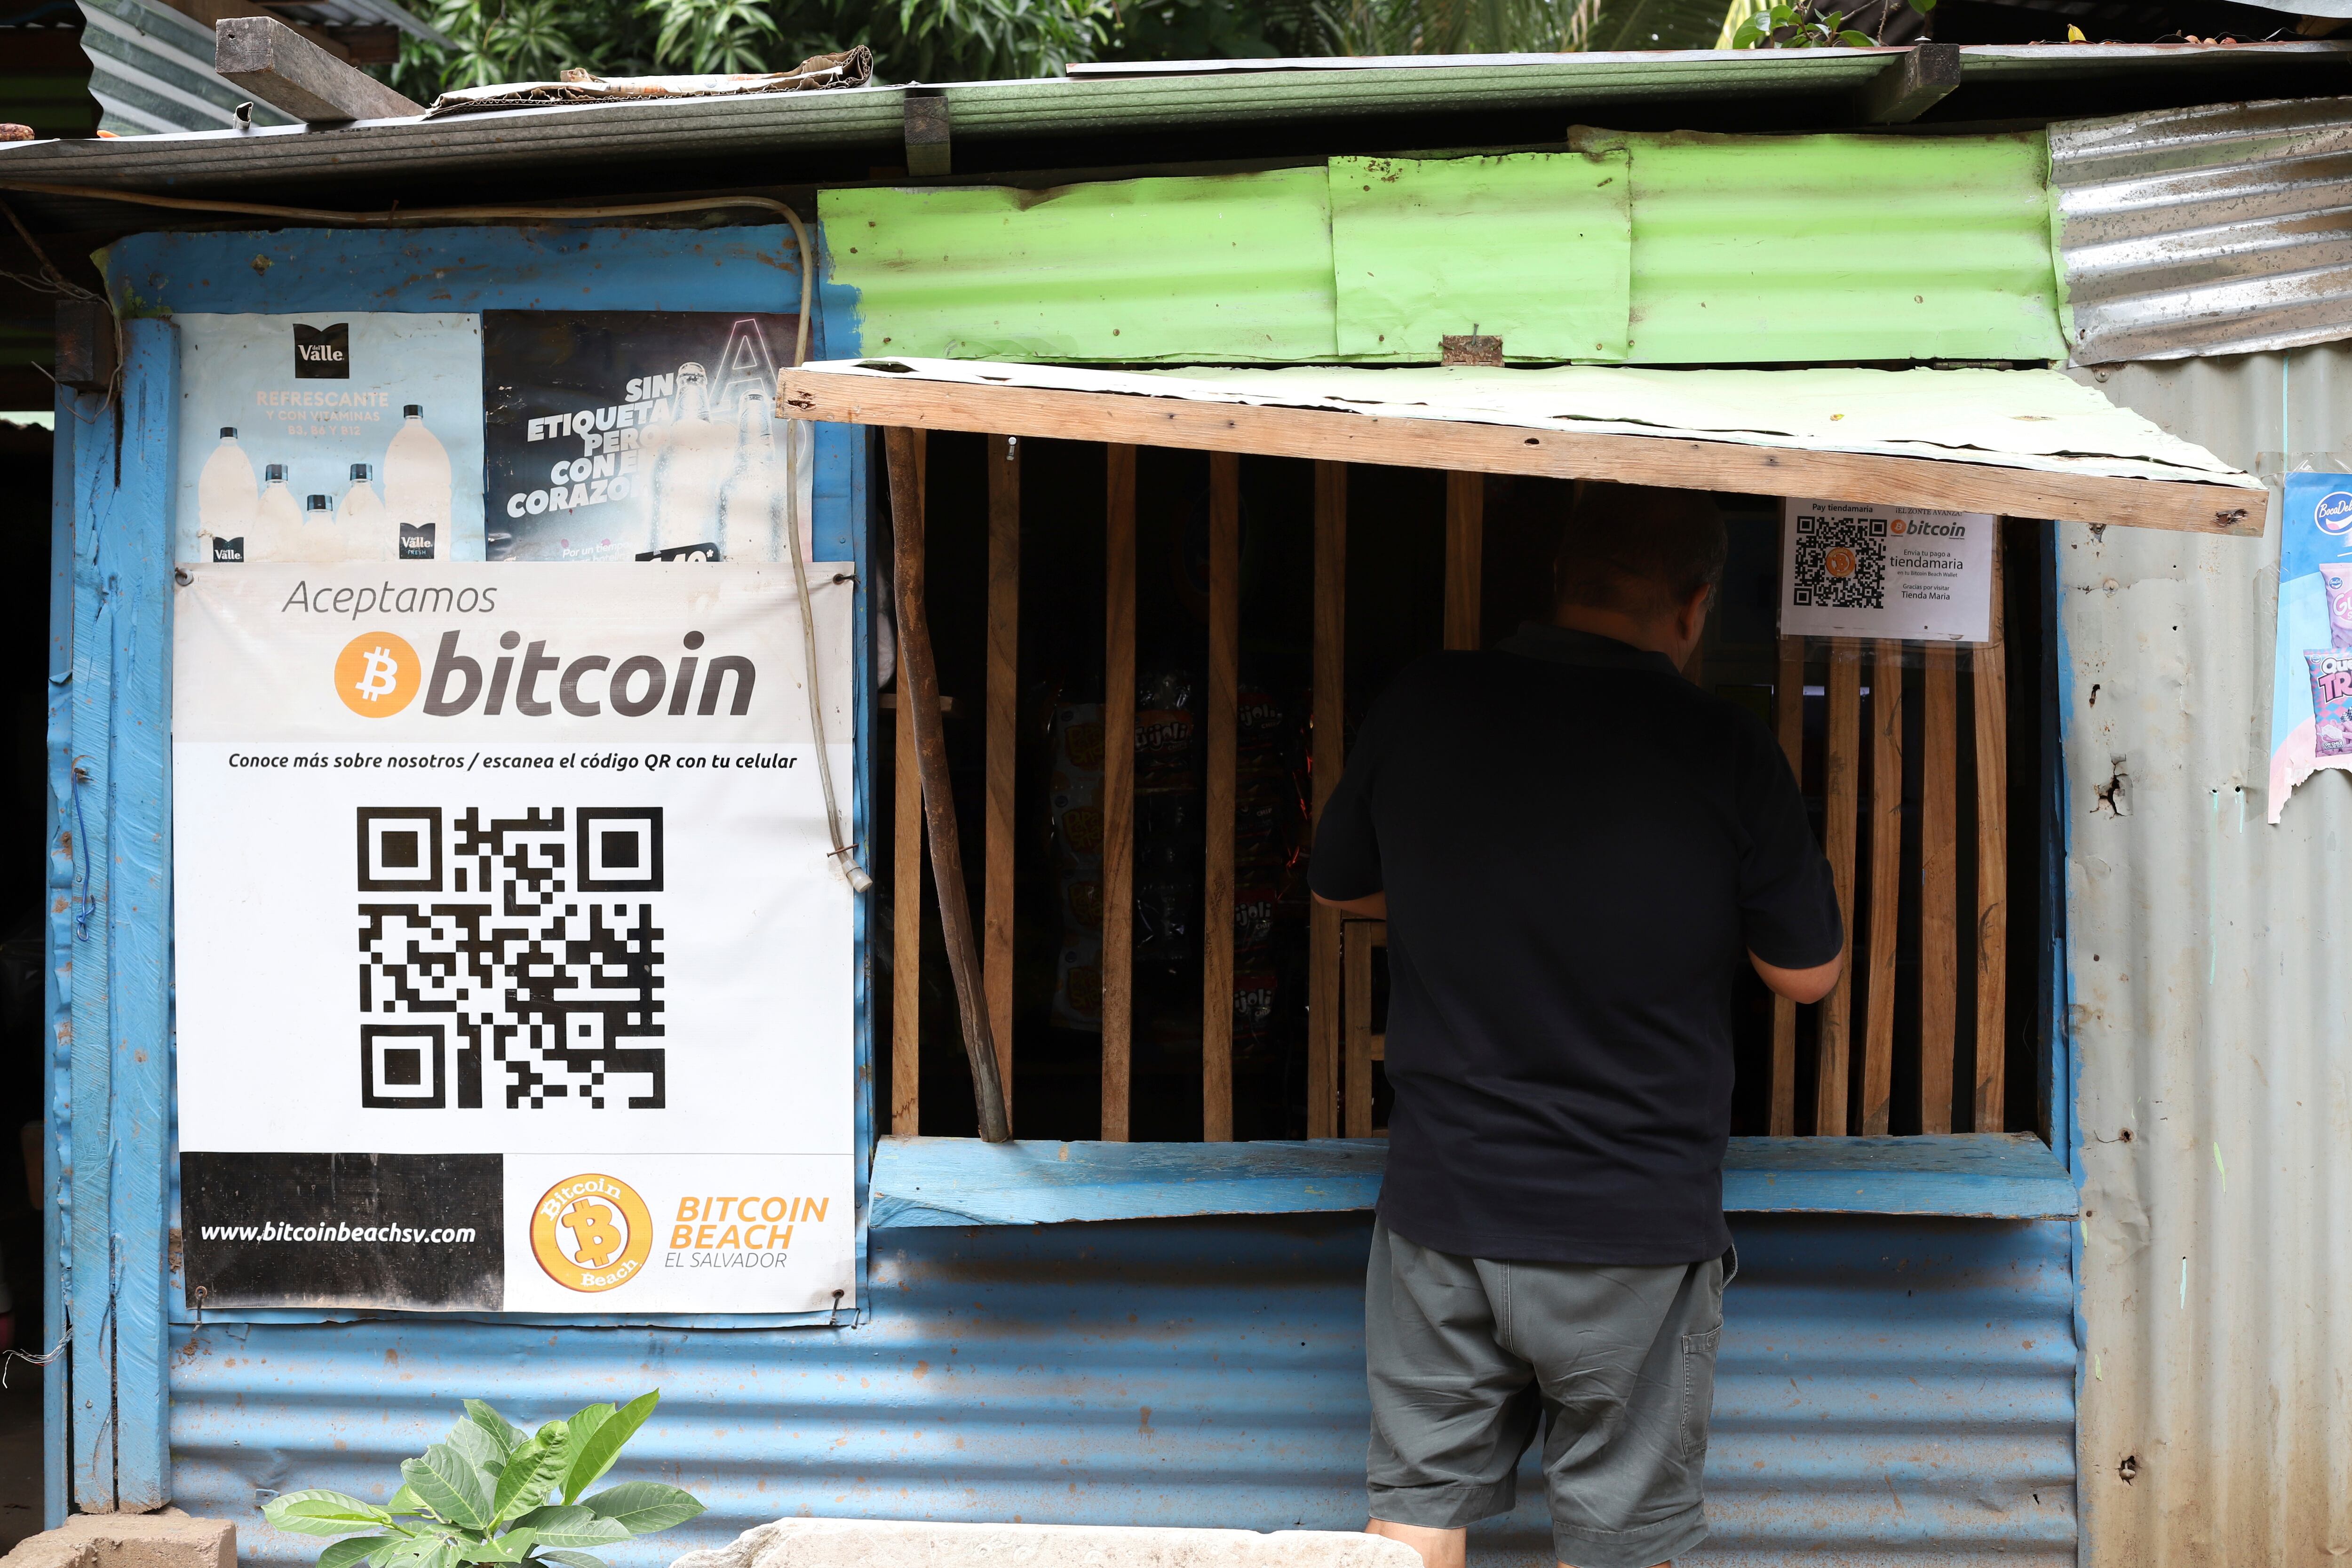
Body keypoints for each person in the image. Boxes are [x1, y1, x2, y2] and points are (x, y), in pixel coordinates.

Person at [1308, 480, 1845, 1568]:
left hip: (1445, 1204)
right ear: (1695, 608)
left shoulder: (1427, 702)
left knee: (1412, 1519)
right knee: (1625, 1541)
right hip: (1631, 1225)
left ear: (1558, 579)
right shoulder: (1723, 747)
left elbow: (1338, 892)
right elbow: (1805, 972)